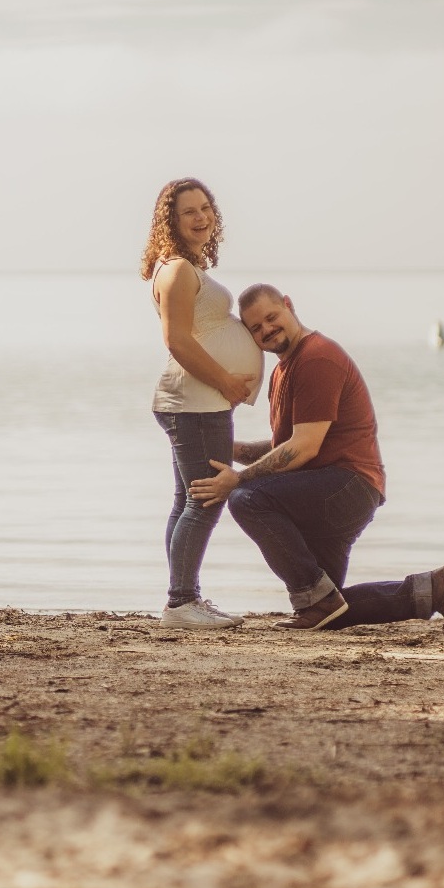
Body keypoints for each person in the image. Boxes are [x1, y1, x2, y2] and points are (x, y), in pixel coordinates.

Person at [189, 284, 444, 631]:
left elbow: (304, 448)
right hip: (330, 487)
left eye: (271, 318)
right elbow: (286, 448)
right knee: (332, 607)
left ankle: (315, 597)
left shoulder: (316, 357)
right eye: (256, 328)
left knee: (246, 499)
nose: (266, 330)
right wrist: (226, 447)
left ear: (289, 306)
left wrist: (237, 479)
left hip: (346, 484)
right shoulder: (282, 371)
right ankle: (436, 588)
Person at [140, 179, 264, 630]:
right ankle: (180, 603)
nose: (201, 217)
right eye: (189, 211)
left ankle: (185, 597)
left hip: (196, 402)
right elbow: (176, 340)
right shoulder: (176, 271)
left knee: (188, 499)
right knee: (207, 500)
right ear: (170, 221)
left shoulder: (186, 268)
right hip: (194, 402)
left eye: (206, 208)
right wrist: (228, 383)